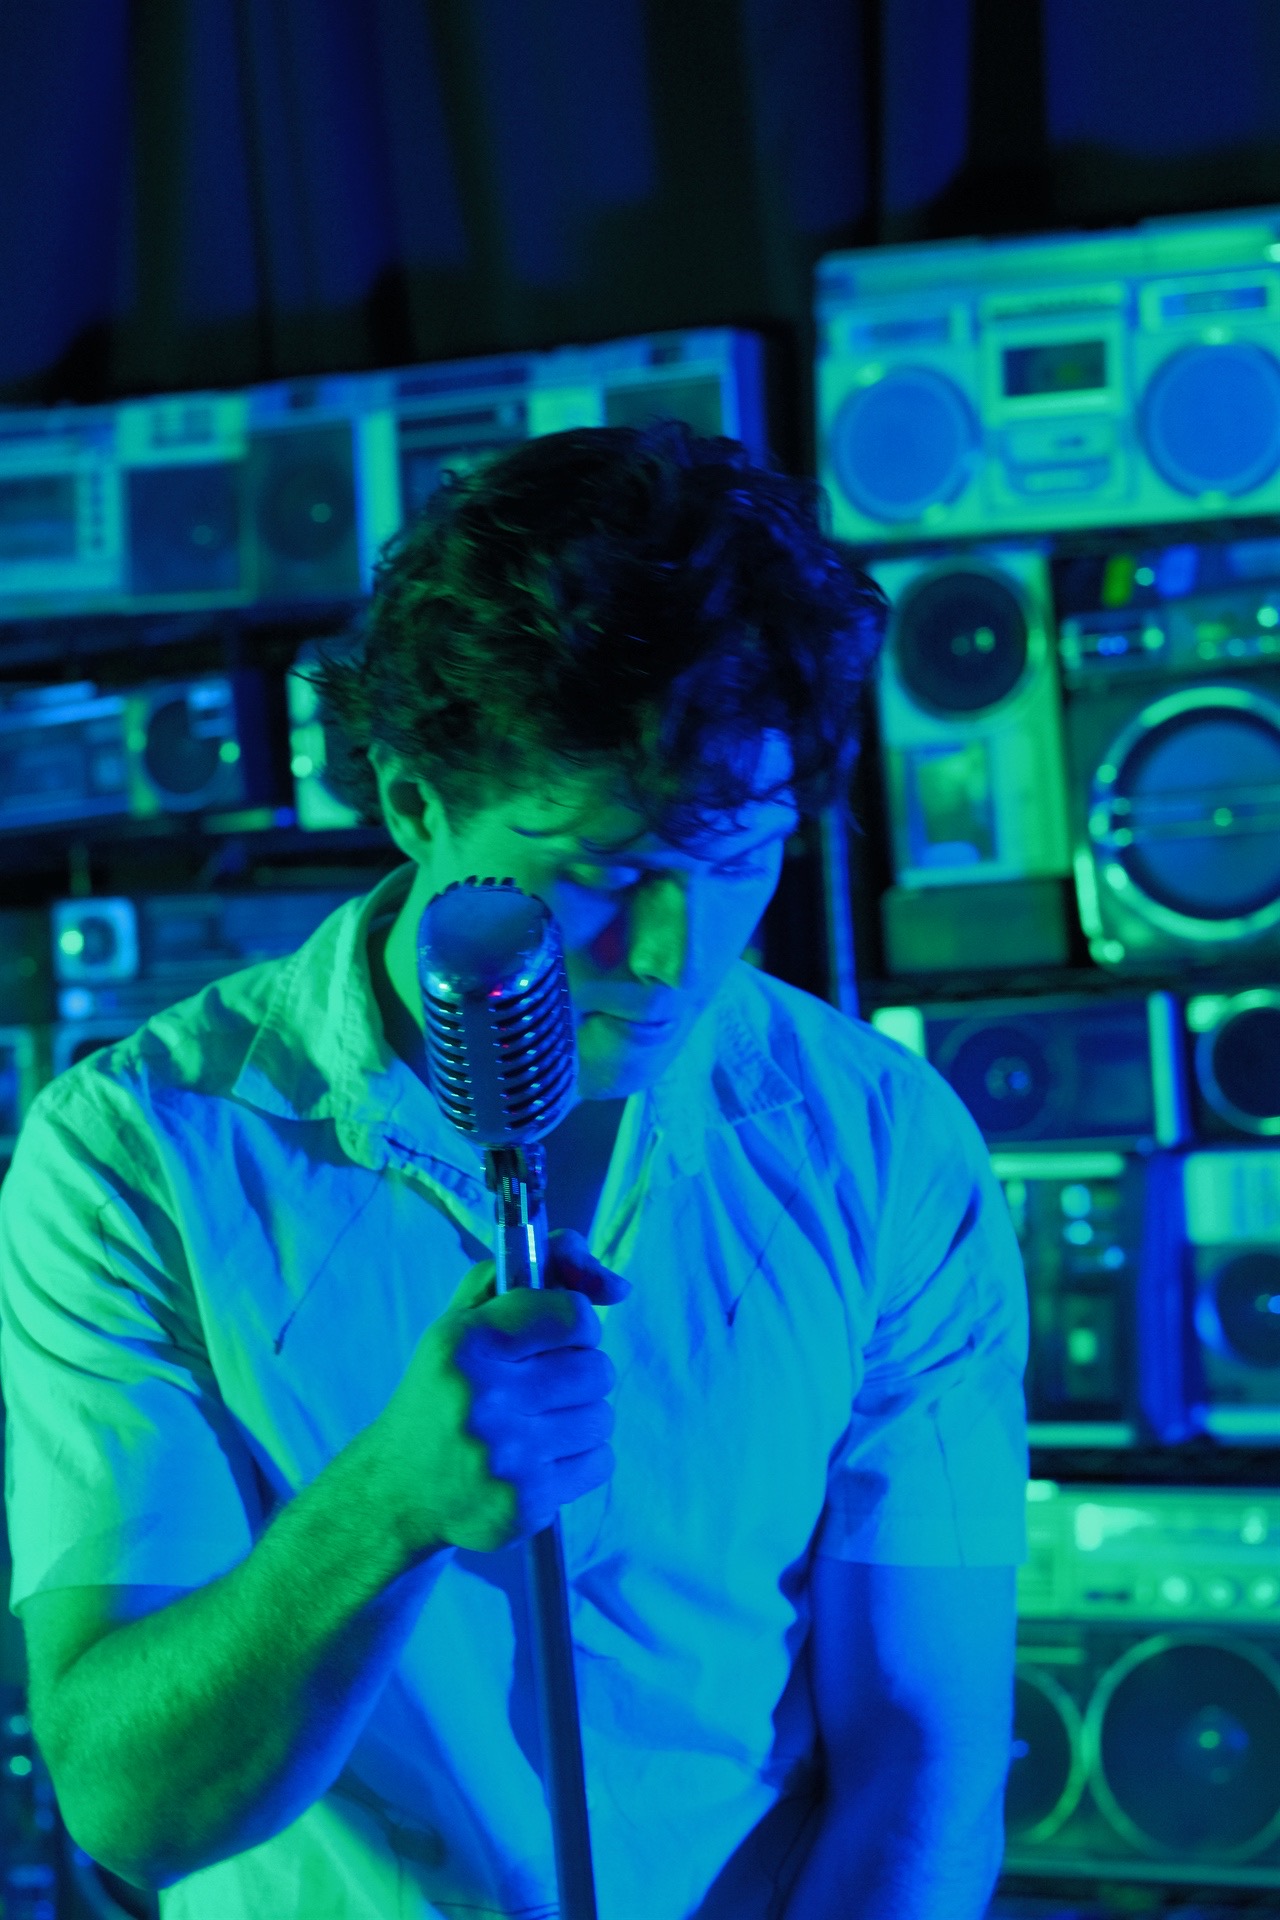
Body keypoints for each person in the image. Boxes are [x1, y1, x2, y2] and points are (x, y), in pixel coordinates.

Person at [0, 421, 1028, 1920]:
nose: (672, 960)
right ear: (416, 803)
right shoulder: (135, 1155)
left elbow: (925, 1758)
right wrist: (386, 1509)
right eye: (603, 871)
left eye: (739, 861)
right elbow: (128, 1809)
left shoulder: (880, 1142)